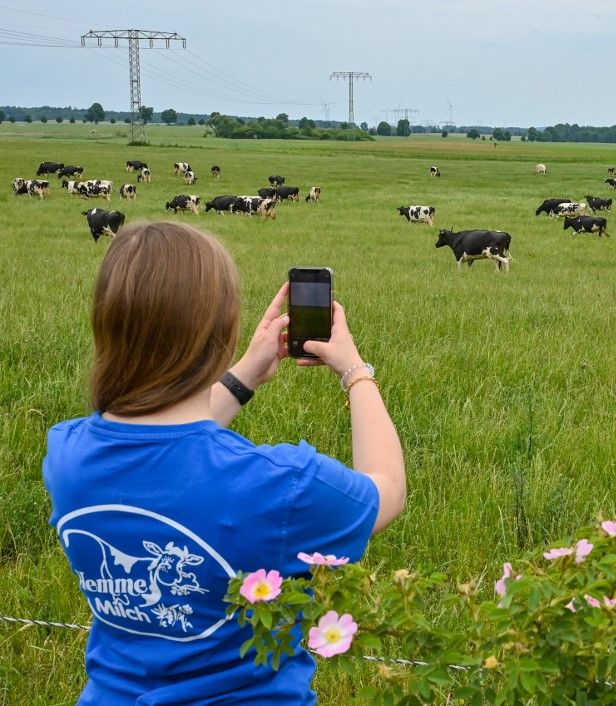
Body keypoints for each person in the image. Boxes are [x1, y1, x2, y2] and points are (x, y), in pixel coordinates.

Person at [42, 221, 405, 705]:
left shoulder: (66, 454)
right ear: (222, 332)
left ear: (106, 326)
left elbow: (162, 439)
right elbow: (387, 488)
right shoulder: (281, 486)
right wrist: (355, 372)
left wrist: (243, 377)